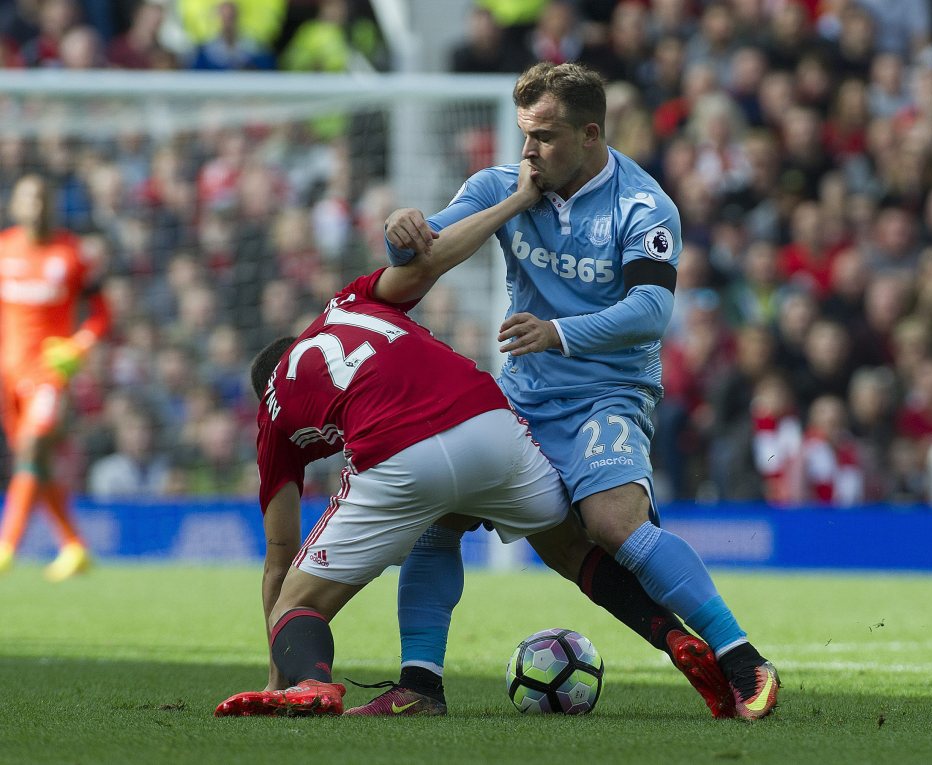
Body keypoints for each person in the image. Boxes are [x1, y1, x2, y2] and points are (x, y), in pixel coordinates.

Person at [214, 175, 736, 718]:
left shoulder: (273, 412)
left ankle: (327, 686)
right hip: (490, 421)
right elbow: (428, 263)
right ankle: (671, 636)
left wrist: (280, 666)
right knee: (571, 548)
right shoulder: (347, 304)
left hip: (397, 455)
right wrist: (514, 203)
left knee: (300, 604)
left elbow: (278, 557)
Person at [364, 62, 779, 721]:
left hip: (607, 395)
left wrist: (558, 332)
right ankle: (420, 684)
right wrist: (401, 227)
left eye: (546, 137)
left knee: (613, 524)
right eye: (525, 134)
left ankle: (742, 658)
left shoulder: (644, 205)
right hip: (522, 398)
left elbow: (649, 310)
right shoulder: (502, 188)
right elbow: (419, 253)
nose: (528, 151)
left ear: (591, 135)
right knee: (438, 506)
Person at [0, 174, 111, 581]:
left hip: (49, 374)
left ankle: (6, 545)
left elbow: (101, 314)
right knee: (35, 464)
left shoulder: (72, 253)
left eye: (44, 199)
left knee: (32, 449)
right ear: (15, 206)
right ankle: (74, 546)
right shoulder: (3, 249)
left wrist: (77, 348)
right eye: (29, 199)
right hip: (8, 375)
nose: (37, 206)